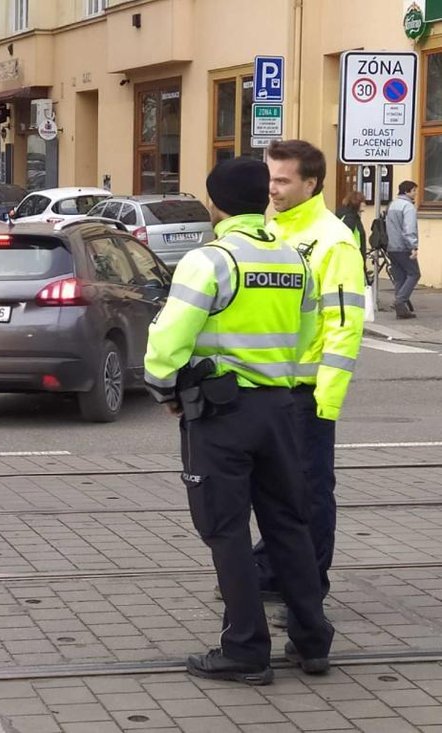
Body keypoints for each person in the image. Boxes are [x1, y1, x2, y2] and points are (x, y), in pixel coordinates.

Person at [144, 157, 332, 685]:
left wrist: (165, 388)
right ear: (266, 199)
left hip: (222, 416)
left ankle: (246, 650)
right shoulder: (296, 260)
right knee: (288, 525)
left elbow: (166, 341)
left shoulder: (212, 261)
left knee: (226, 529)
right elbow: (306, 336)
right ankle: (312, 640)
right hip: (281, 409)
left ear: (215, 204)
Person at [252, 140, 365, 622]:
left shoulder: (333, 240)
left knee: (311, 491)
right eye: (269, 178)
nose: (272, 188)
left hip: (307, 392)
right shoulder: (270, 224)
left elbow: (345, 324)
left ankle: (309, 586)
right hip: (268, 387)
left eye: (283, 181)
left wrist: (327, 399)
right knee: (275, 489)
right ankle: (273, 569)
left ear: (311, 184)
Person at [385, 180, 420, 319]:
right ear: (407, 191)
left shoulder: (392, 205)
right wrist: (413, 246)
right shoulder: (408, 207)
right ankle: (400, 301)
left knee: (400, 277)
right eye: (414, 190)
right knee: (414, 274)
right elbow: (409, 228)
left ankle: (402, 310)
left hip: (391, 246)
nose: (415, 193)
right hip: (403, 247)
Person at [335, 191, 367, 264]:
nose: (365, 204)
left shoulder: (343, 214)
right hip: (352, 258)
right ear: (356, 202)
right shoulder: (351, 218)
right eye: (363, 202)